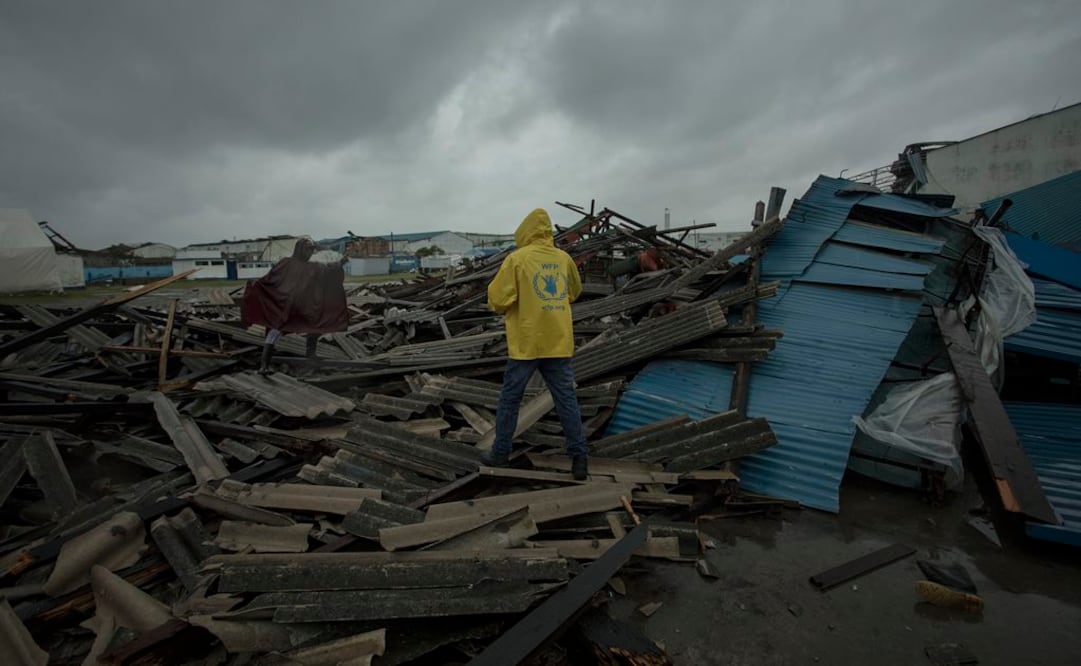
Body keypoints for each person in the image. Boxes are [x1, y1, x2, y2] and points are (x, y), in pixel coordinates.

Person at [482, 208, 589, 480]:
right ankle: (579, 460)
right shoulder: (563, 259)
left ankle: (500, 453)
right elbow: (574, 292)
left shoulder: (517, 260)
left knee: (510, 399)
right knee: (566, 400)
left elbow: (497, 300)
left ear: (526, 230)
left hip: (526, 344)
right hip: (557, 342)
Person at [240, 238, 349, 373]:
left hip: (305, 306)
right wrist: (257, 285)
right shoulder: (286, 263)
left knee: (315, 326)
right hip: (286, 306)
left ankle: (310, 354)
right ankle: (264, 365)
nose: (309, 252)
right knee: (275, 331)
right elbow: (272, 278)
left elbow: (328, 271)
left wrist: (341, 263)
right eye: (307, 249)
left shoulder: (312, 266)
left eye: (311, 249)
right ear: (299, 249)